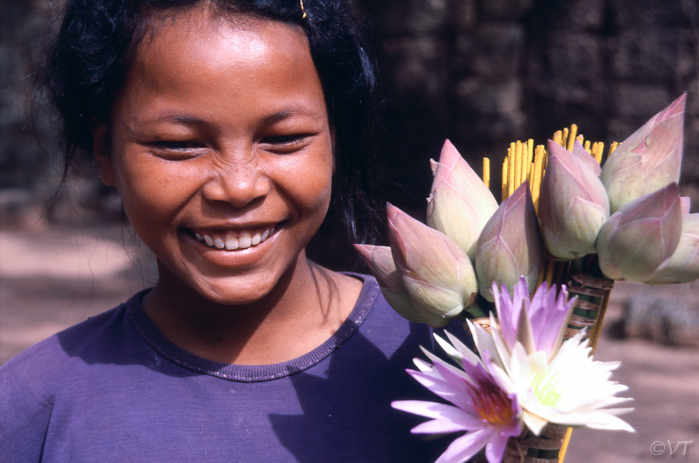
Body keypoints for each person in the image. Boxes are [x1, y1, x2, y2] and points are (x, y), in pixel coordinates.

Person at [0, 0, 462, 461]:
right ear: (106, 152)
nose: (239, 187)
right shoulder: (34, 406)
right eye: (178, 145)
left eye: (283, 139)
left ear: (334, 137)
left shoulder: (471, 358)